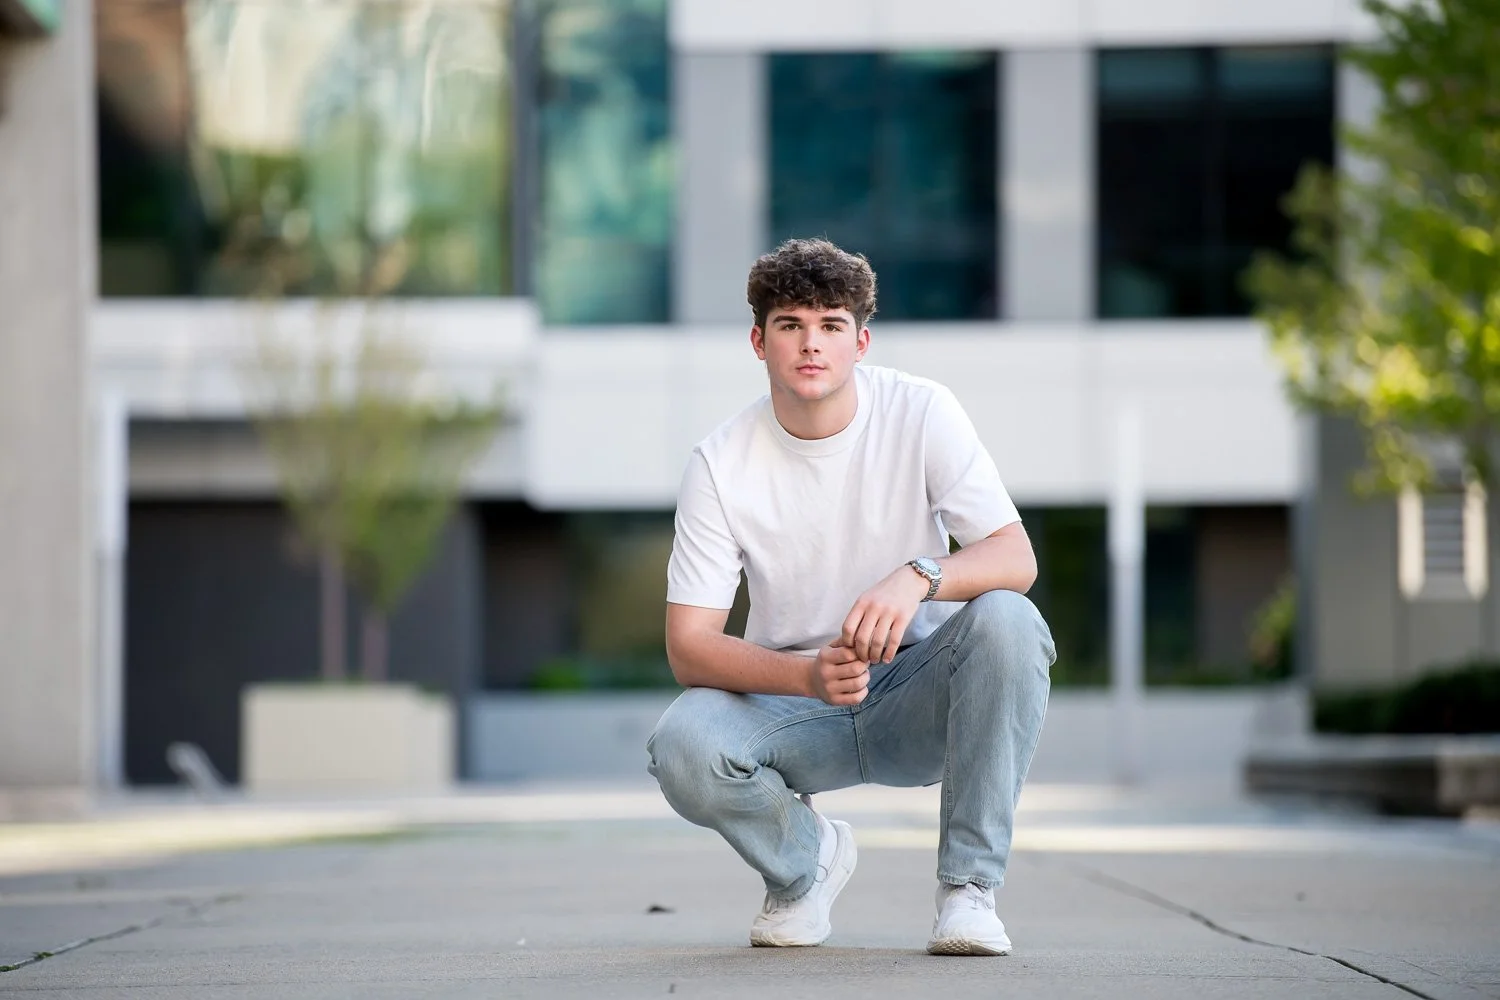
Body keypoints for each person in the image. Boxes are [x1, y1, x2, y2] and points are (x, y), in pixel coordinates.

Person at [647, 238, 1055, 956]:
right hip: (797, 704)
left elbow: (1013, 557)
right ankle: (805, 868)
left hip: (919, 690)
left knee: (1010, 621)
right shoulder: (719, 463)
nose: (812, 343)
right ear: (758, 341)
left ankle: (968, 892)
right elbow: (690, 647)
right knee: (682, 743)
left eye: (831, 325)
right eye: (790, 325)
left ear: (860, 341)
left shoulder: (923, 411)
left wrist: (920, 575)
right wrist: (804, 675)